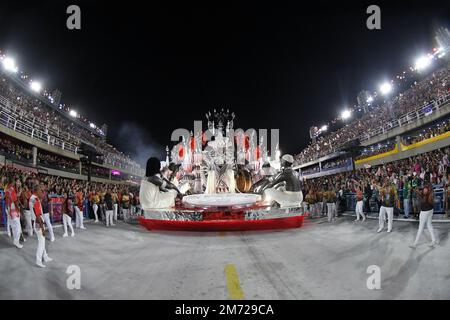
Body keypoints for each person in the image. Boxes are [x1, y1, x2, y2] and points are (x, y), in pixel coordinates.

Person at [29, 185, 53, 268]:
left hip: (36, 222)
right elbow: (38, 215)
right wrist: (42, 228)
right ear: (37, 191)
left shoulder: (33, 198)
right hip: (38, 223)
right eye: (41, 191)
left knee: (42, 241)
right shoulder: (35, 199)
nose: (42, 192)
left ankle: (45, 256)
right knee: (41, 243)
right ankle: (38, 261)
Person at [410, 182, 437, 248]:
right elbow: (421, 193)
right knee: (429, 225)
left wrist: (417, 191)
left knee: (420, 228)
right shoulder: (430, 194)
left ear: (428, 189)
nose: (423, 189)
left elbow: (423, 196)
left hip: (425, 212)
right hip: (430, 211)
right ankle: (433, 240)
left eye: (425, 188)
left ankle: (415, 244)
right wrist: (416, 191)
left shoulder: (428, 195)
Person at [4, 176, 23, 248]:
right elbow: (15, 201)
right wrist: (18, 211)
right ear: (13, 182)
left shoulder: (8, 188)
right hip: (13, 210)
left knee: (14, 226)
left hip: (9, 209)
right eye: (17, 181)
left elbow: (7, 198)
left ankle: (16, 240)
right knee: (17, 227)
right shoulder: (12, 189)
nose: (18, 183)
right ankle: (16, 241)